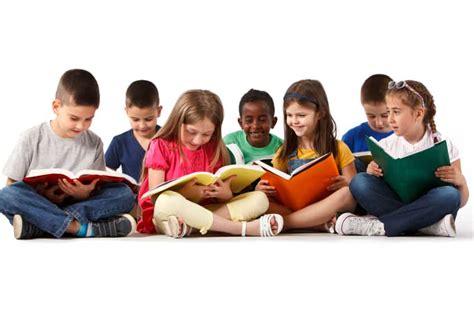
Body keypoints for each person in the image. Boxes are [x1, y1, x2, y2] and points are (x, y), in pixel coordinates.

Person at [0, 69, 136, 239]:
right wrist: (43, 195)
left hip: (77, 204)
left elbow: (97, 185)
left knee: (124, 194)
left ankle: (39, 226)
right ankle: (78, 228)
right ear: (56, 107)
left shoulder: (94, 142)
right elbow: (11, 184)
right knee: (7, 195)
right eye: (74, 118)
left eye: (88, 119)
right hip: (39, 203)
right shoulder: (31, 138)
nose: (81, 126)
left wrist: (84, 193)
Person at [137, 89, 283, 238]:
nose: (198, 140)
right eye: (191, 132)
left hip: (203, 211)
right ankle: (241, 228)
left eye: (206, 134)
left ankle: (190, 227)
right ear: (178, 122)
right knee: (166, 201)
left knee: (259, 199)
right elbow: (155, 198)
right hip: (167, 213)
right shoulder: (161, 145)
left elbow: (219, 195)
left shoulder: (214, 149)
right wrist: (187, 194)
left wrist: (226, 195)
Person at [336, 80, 469, 237]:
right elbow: (372, 184)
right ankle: (426, 226)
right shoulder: (386, 144)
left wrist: (461, 181)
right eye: (389, 112)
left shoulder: (444, 145)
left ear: (419, 113)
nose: (390, 119)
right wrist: (372, 172)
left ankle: (382, 226)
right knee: (360, 181)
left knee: (450, 195)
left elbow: (461, 200)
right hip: (404, 204)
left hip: (431, 204)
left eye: (396, 112)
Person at [257, 79, 357, 232]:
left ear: (320, 113)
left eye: (301, 115)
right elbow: (275, 184)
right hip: (297, 206)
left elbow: (354, 187)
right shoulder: (284, 151)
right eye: (289, 115)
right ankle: (318, 224)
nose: (294, 121)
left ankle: (288, 223)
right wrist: (261, 188)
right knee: (259, 200)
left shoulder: (339, 148)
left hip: (326, 205)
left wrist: (346, 183)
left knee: (348, 193)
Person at [105, 80, 162, 182]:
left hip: (163, 196)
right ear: (127, 112)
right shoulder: (119, 142)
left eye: (148, 119)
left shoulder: (169, 138)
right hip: (131, 195)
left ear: (158, 111)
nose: (142, 125)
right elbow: (106, 172)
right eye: (135, 120)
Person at [342, 74, 393, 172]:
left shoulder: (406, 135)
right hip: (363, 183)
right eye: (371, 116)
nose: (379, 123)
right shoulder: (351, 137)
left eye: (385, 115)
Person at [224, 89, 283, 164]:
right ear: (241, 123)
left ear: (273, 122)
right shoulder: (229, 142)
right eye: (249, 120)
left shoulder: (283, 148)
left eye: (262, 120)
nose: (255, 126)